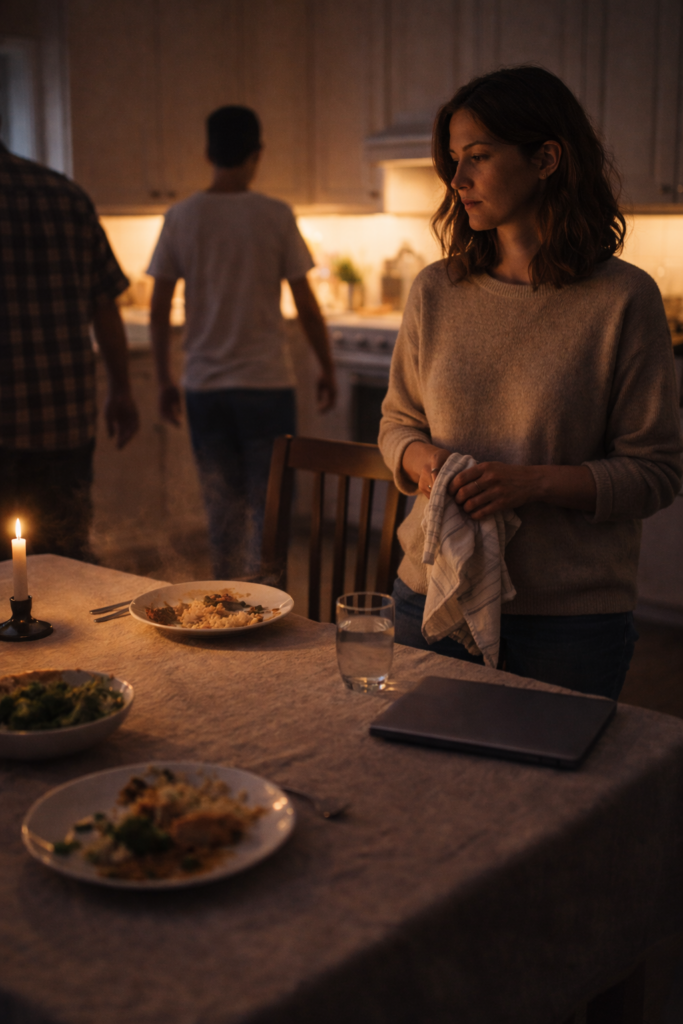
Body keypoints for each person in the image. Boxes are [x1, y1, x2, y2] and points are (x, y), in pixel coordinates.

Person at [378, 65, 683, 699]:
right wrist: (423, 460)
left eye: (479, 157)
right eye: (455, 160)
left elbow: (655, 472)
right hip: (429, 593)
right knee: (413, 786)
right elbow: (396, 423)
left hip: (569, 622)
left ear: (546, 158)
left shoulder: (624, 300)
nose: (457, 180)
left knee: (551, 797)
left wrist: (533, 482)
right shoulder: (436, 291)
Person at [148, 105, 336, 580]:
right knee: (270, 507)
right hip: (265, 386)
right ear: (258, 153)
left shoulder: (181, 216)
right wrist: (327, 367)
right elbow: (307, 304)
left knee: (221, 508)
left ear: (208, 151)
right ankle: (271, 606)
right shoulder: (274, 215)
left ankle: (225, 602)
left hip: (204, 388)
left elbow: (158, 305)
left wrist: (164, 379)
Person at [0, 141, 139, 563]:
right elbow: (105, 307)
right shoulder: (66, 195)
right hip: (63, 424)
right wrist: (121, 390)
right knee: (66, 560)